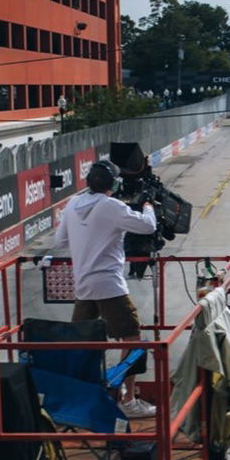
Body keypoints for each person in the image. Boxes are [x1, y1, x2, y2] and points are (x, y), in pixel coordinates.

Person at [52, 159, 159, 419]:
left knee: (82, 343)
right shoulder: (111, 206)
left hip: (83, 286)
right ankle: (129, 400)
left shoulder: (73, 204)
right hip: (110, 285)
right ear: (114, 184)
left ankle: (83, 399)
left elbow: (60, 240)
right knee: (133, 339)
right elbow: (148, 226)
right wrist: (147, 207)